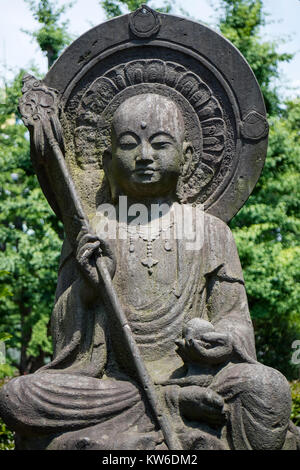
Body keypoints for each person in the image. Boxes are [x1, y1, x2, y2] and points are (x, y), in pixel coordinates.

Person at [0, 94, 294, 450]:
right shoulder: (92, 230)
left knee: (266, 387)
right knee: (20, 395)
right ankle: (167, 405)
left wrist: (221, 339)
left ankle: (167, 404)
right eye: (128, 145)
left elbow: (235, 318)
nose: (143, 156)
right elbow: (63, 338)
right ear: (108, 162)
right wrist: (87, 291)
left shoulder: (212, 231)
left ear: (186, 157)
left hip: (195, 378)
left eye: (160, 144)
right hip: (115, 384)